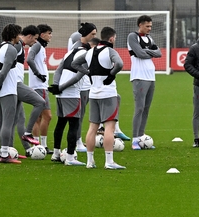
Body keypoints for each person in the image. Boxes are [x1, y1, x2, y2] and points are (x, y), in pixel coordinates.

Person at [74, 27, 126, 169]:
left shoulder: (89, 52)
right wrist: (111, 75)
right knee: (110, 126)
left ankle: (90, 161)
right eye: (114, 38)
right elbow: (120, 64)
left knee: (92, 127)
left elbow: (75, 64)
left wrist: (88, 73)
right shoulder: (110, 51)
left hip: (93, 93)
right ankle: (109, 161)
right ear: (111, 39)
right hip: (108, 93)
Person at [47, 35, 89, 166]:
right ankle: (70, 157)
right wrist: (60, 87)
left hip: (61, 95)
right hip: (71, 94)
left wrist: (56, 86)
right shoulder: (86, 55)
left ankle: (55, 154)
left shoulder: (69, 53)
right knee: (74, 125)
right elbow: (78, 77)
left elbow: (58, 70)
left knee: (60, 123)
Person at [0, 23, 23, 164]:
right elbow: (5, 70)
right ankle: (4, 155)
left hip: (0, 89)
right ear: (14, 36)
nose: (20, 38)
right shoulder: (11, 49)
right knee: (7, 123)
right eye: (19, 34)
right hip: (8, 90)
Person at [128, 15, 163, 150]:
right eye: (147, 26)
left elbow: (159, 53)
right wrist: (150, 52)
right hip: (139, 76)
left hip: (150, 76)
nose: (149, 29)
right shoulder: (133, 36)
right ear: (140, 25)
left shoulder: (149, 38)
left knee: (146, 108)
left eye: (150, 26)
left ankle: (141, 136)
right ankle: (135, 140)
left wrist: (147, 52)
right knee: (139, 107)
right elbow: (139, 54)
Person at [12, 25, 46, 154]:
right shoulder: (17, 46)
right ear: (30, 36)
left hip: (15, 85)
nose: (36, 42)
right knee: (40, 102)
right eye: (35, 39)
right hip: (14, 85)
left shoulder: (19, 46)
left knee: (18, 119)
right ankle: (27, 133)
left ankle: (25, 149)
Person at [27, 24, 53, 151]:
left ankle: (37, 144)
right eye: (49, 33)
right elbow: (29, 59)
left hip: (38, 85)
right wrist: (38, 74)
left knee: (39, 117)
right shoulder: (37, 45)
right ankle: (41, 145)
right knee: (47, 116)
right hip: (39, 86)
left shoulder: (40, 47)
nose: (51, 36)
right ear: (42, 34)